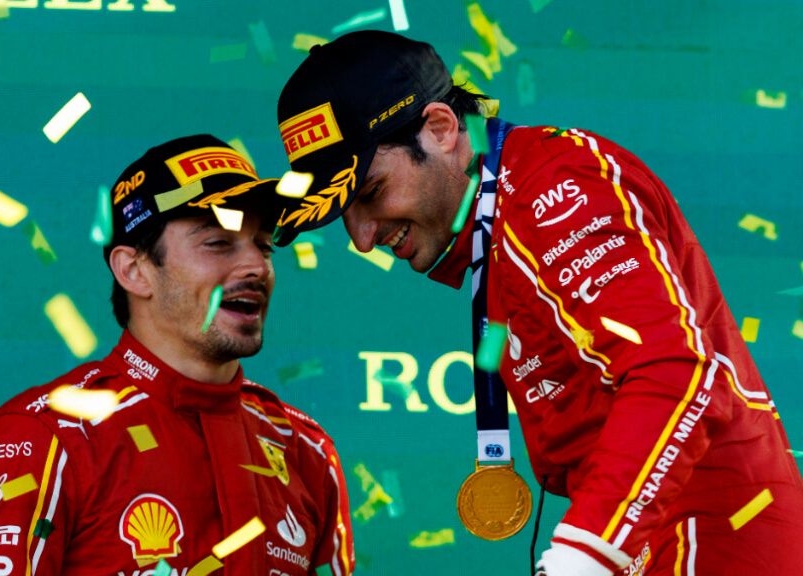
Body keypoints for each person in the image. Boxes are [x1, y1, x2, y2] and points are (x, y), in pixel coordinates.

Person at [271, 30, 803, 575]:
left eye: (371, 192)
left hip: (706, 536)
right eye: (341, 212)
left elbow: (677, 373)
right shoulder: (503, 220)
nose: (360, 237)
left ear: (440, 129)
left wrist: (585, 555)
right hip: (656, 535)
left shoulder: (551, 187)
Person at [0, 134, 355, 576]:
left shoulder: (306, 450)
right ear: (134, 271)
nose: (256, 267)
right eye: (218, 243)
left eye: (264, 246)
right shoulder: (45, 438)